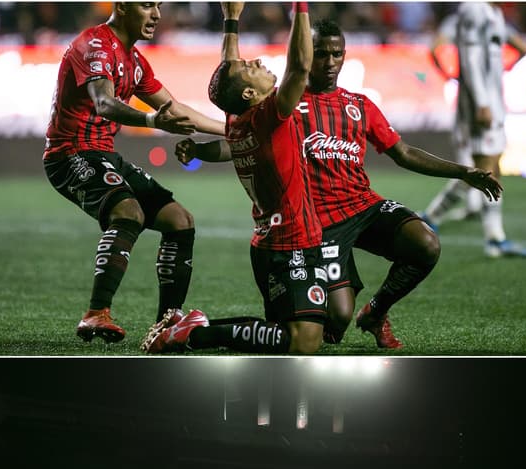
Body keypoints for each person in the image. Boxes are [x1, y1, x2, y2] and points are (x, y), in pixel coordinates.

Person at [176, 17, 504, 349]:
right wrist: (201, 151)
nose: (331, 62)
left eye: (338, 53)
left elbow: (402, 152)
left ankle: (376, 312)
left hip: (363, 206)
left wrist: (462, 171)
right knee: (335, 324)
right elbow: (240, 142)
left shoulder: (358, 105)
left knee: (425, 244)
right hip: (320, 222)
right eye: (321, 54)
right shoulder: (284, 105)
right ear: (308, 53)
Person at [42, 1, 225, 345]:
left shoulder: (135, 61)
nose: (156, 14)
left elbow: (178, 110)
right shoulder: (94, 45)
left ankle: (167, 322)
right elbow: (104, 103)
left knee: (180, 221)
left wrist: (235, 130)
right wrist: (153, 121)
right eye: (146, 5)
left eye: (158, 6)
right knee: (129, 212)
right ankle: (96, 312)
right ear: (123, 6)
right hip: (69, 153)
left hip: (105, 154)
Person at [150, 1, 326, 355]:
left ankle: (193, 327)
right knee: (303, 342)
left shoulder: (238, 119)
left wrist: (231, 19)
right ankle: (194, 336)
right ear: (250, 94)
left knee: (287, 332)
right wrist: (300, 6)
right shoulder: (268, 116)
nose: (258, 61)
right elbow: (301, 66)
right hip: (291, 241)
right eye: (251, 67)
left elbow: (228, 75)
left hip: (268, 243)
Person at [423, 3, 526, 257]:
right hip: (477, 105)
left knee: (487, 167)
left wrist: (498, 76)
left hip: (491, 102)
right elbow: (470, 58)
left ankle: (432, 216)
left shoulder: (494, 13)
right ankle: (494, 240)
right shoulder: (474, 9)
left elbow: (518, 48)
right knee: (484, 168)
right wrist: (482, 101)